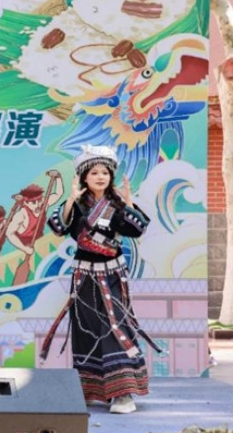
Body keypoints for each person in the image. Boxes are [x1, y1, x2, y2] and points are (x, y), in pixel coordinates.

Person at [41, 145, 161, 414]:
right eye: (94, 172)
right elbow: (58, 228)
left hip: (112, 275)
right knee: (86, 328)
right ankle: (90, 389)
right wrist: (70, 200)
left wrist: (128, 201)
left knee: (114, 326)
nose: (100, 177)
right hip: (84, 275)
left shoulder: (116, 204)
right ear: (84, 176)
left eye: (105, 172)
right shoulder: (76, 205)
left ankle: (122, 393)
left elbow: (137, 229)